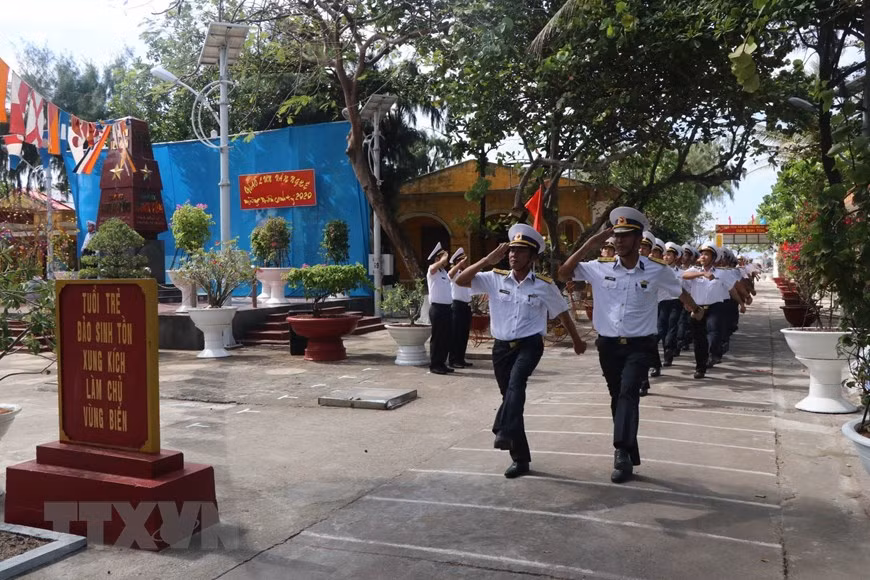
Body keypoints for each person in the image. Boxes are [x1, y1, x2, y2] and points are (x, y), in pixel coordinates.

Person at [559, 207, 702, 483]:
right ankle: (629, 451)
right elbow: (564, 274)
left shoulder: (656, 270)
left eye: (626, 236)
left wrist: (695, 310)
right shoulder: (598, 268)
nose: (619, 241)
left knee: (627, 393)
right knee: (618, 397)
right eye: (616, 236)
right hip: (608, 346)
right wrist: (590, 244)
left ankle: (621, 453)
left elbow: (679, 290)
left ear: (639, 240)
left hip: (640, 345)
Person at [456, 224, 586, 479]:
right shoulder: (494, 278)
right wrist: (486, 260)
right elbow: (460, 280)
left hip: (529, 345)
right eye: (511, 251)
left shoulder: (544, 286)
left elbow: (562, 313)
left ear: (532, 257)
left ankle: (502, 430)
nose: (513, 255)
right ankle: (520, 458)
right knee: (511, 401)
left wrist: (577, 341)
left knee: (516, 387)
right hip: (501, 347)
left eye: (520, 251)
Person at [682, 243, 732, 379]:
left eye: (706, 254)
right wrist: (701, 273)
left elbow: (732, 287)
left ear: (713, 257)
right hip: (697, 308)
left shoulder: (722, 272)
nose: (703, 257)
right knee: (699, 340)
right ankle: (700, 368)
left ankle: (714, 354)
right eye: (702, 254)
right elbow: (683, 276)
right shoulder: (694, 271)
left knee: (714, 331)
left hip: (715, 307)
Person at [426, 242, 453, 375]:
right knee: (437, 337)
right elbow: (432, 268)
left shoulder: (444, 272)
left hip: (447, 308)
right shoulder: (433, 270)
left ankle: (442, 363)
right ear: (438, 259)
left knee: (446, 337)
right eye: (444, 258)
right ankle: (435, 364)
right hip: (437, 308)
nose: (446, 261)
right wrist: (442, 259)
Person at [448, 248, 473, 369]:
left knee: (463, 334)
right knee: (456, 334)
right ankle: (453, 360)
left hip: (466, 306)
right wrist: (459, 265)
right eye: (463, 261)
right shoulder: (455, 274)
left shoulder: (465, 274)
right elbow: (450, 274)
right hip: (457, 305)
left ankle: (461, 358)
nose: (465, 263)